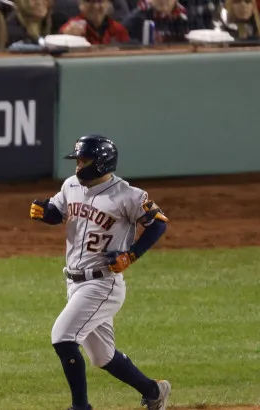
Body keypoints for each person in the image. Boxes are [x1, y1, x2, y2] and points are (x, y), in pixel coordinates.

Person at [29, 135, 172, 410]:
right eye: (78, 161)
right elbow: (57, 212)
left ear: (101, 163)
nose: (78, 166)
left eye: (83, 161)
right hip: (74, 282)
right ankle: (154, 391)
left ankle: (80, 407)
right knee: (102, 356)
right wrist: (44, 213)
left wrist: (131, 255)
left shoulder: (128, 195)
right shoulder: (71, 186)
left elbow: (158, 223)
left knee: (63, 337)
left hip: (103, 284)